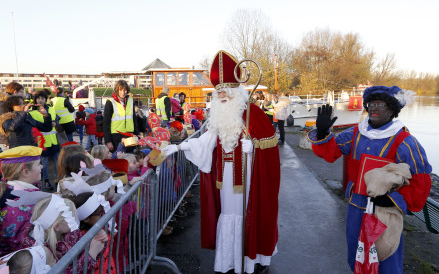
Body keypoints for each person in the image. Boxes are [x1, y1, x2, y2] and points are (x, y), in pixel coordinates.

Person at [162, 50, 280, 274]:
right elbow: (205, 143)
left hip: (249, 177)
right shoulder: (218, 118)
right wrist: (177, 146)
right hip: (225, 178)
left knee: (250, 213)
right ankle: (229, 260)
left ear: (237, 91)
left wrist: (254, 148)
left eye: (227, 90)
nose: (223, 94)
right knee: (229, 214)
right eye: (219, 92)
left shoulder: (252, 114)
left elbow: (271, 148)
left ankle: (251, 261)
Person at [307, 86, 432, 273]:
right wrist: (323, 133)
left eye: (380, 104)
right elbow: (331, 152)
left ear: (392, 109)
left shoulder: (405, 141)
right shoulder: (357, 133)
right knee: (356, 253)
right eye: (371, 103)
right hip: (356, 206)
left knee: (385, 256)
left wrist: (394, 200)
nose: (374, 108)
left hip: (385, 210)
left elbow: (420, 180)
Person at [20, 195, 106, 274]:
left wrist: (97, 240)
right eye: (71, 218)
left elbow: (82, 250)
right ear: (57, 226)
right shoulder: (43, 254)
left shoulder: (70, 232)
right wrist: (91, 255)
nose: (75, 220)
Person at [0, 146, 43, 256]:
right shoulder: (18, 208)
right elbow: (23, 248)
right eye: (38, 164)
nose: (42, 166)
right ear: (25, 172)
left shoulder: (16, 193)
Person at [29, 90, 59, 190]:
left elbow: (55, 119)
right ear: (35, 99)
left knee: (57, 161)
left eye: (42, 98)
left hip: (53, 140)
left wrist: (55, 122)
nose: (40, 100)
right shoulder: (32, 110)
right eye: (38, 98)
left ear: (46, 99)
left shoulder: (51, 108)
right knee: (44, 164)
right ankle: (46, 181)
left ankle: (58, 179)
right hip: (41, 142)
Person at [103, 80, 138, 151]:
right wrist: (108, 141)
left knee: (130, 158)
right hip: (116, 136)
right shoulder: (110, 102)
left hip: (130, 135)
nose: (123, 92)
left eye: (125, 90)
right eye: (120, 90)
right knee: (118, 158)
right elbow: (106, 123)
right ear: (116, 90)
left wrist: (138, 136)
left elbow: (134, 120)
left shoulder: (130, 101)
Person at [0, 82, 25, 152]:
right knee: (12, 162)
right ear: (15, 92)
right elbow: (1, 123)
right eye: (21, 92)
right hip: (7, 141)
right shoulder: (1, 104)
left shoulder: (8, 102)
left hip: (13, 138)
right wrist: (7, 142)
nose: (21, 94)